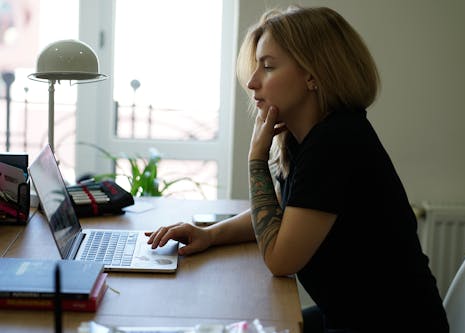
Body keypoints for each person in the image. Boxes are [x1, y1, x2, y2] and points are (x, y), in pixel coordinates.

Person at [146, 5, 449, 332]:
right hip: (350, 316)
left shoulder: (337, 142)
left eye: (268, 67)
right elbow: (280, 212)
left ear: (312, 75)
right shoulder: (305, 139)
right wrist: (209, 235)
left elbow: (280, 259)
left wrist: (256, 160)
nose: (251, 82)